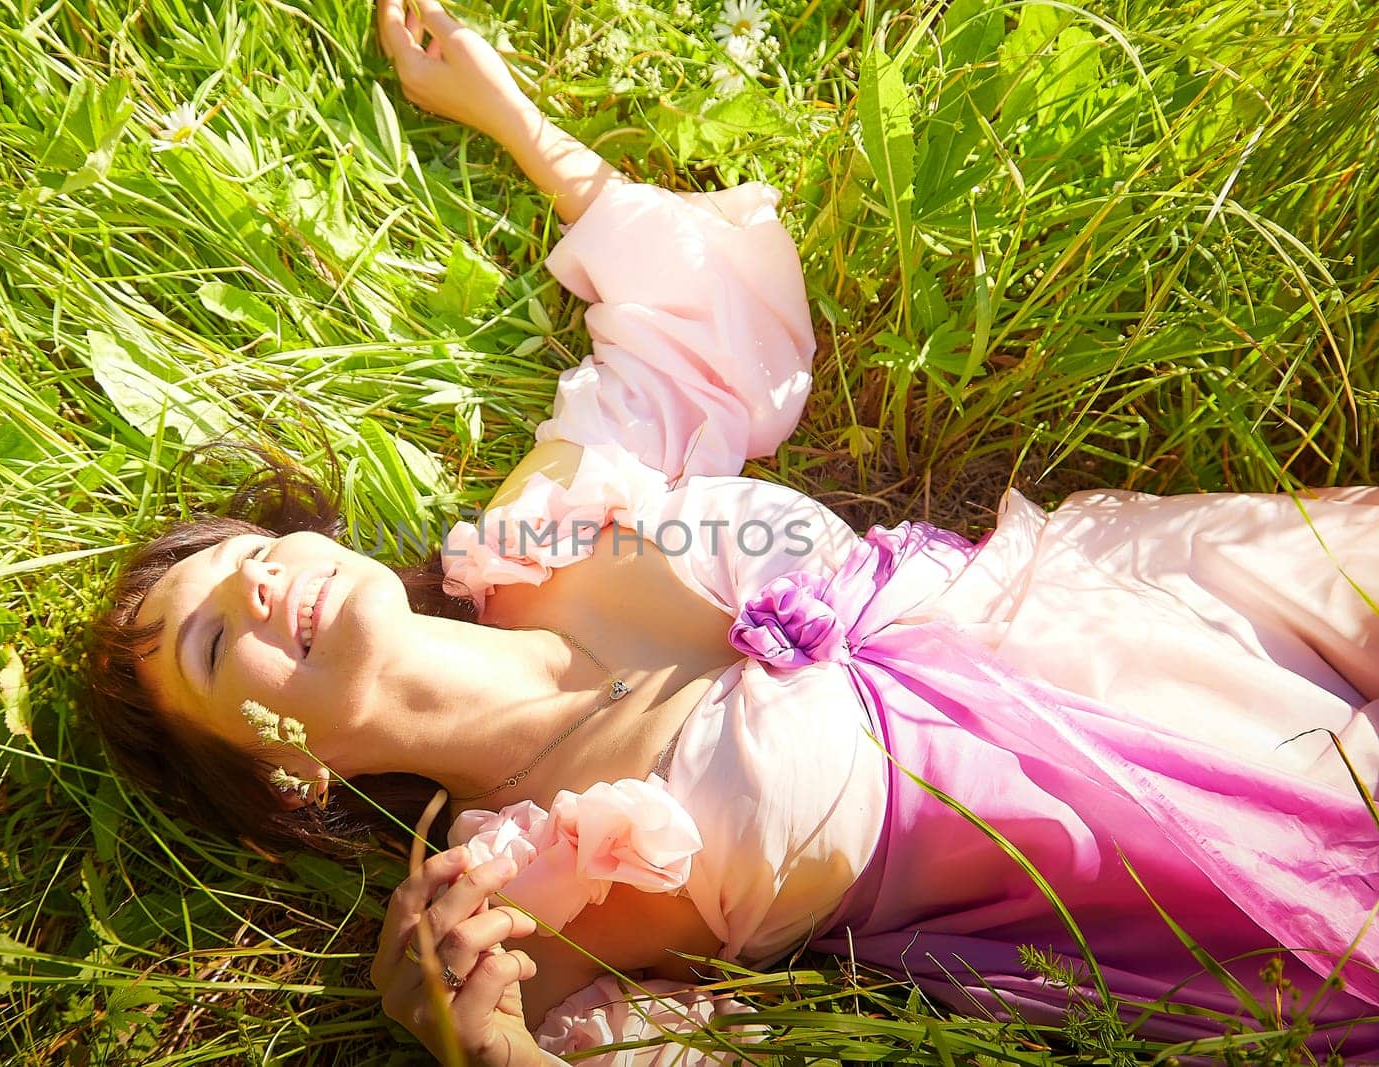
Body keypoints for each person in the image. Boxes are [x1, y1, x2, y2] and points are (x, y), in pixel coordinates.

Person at [83, 1, 1379, 1063]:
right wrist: (491, 1057)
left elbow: (679, 311)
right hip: (1146, 841)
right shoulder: (501, 921)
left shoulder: (536, 533)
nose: (259, 592)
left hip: (1153, 613)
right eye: (209, 645)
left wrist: (502, 109)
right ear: (287, 779)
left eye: (251, 558)